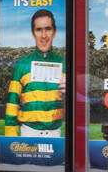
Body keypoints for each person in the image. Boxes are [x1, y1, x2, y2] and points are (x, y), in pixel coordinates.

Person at [4, 9, 65, 138]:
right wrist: (10, 139)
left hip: (56, 135)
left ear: (54, 32)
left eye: (48, 29)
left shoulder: (64, 64)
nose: (44, 35)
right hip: (29, 134)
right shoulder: (22, 65)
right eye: (39, 29)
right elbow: (12, 104)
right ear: (33, 33)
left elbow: (78, 105)